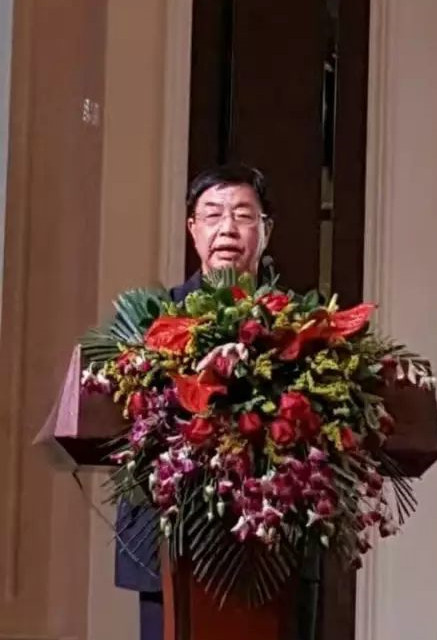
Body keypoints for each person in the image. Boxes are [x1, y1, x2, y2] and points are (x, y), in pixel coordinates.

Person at [114, 164, 274, 640]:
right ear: (193, 229)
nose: (228, 228)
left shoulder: (298, 326)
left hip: (274, 544)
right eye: (213, 214)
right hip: (170, 536)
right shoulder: (151, 322)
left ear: (265, 229)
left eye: (243, 215)